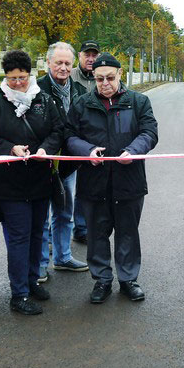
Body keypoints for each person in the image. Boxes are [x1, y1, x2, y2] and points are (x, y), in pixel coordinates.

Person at [0, 50, 64, 315]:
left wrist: (45, 149)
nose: (17, 83)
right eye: (12, 78)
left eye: (22, 78)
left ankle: (32, 279)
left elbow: (59, 130)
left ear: (30, 74)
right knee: (19, 238)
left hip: (39, 179)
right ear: (5, 76)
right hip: (8, 184)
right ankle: (19, 294)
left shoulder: (44, 99)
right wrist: (9, 148)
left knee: (38, 234)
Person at [65, 53, 158, 304]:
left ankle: (128, 280)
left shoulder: (138, 102)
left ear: (120, 75)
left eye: (109, 77)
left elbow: (149, 132)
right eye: (99, 79)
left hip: (129, 181)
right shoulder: (82, 104)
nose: (105, 83)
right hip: (94, 182)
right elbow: (70, 136)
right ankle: (102, 280)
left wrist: (134, 150)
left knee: (127, 232)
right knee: (96, 234)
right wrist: (87, 151)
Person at [36, 42, 88, 280]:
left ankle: (63, 257)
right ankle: (38, 267)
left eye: (68, 63)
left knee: (64, 213)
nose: (64, 68)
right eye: (59, 62)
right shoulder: (35, 90)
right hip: (41, 164)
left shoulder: (79, 91)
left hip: (68, 165)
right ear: (48, 63)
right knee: (40, 217)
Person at [69, 40, 100, 243]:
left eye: (94, 55)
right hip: (73, 137)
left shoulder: (102, 75)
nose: (90, 59)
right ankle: (66, 231)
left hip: (96, 138)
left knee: (89, 185)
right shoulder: (70, 76)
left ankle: (86, 227)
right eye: (86, 55)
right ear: (79, 56)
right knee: (69, 187)